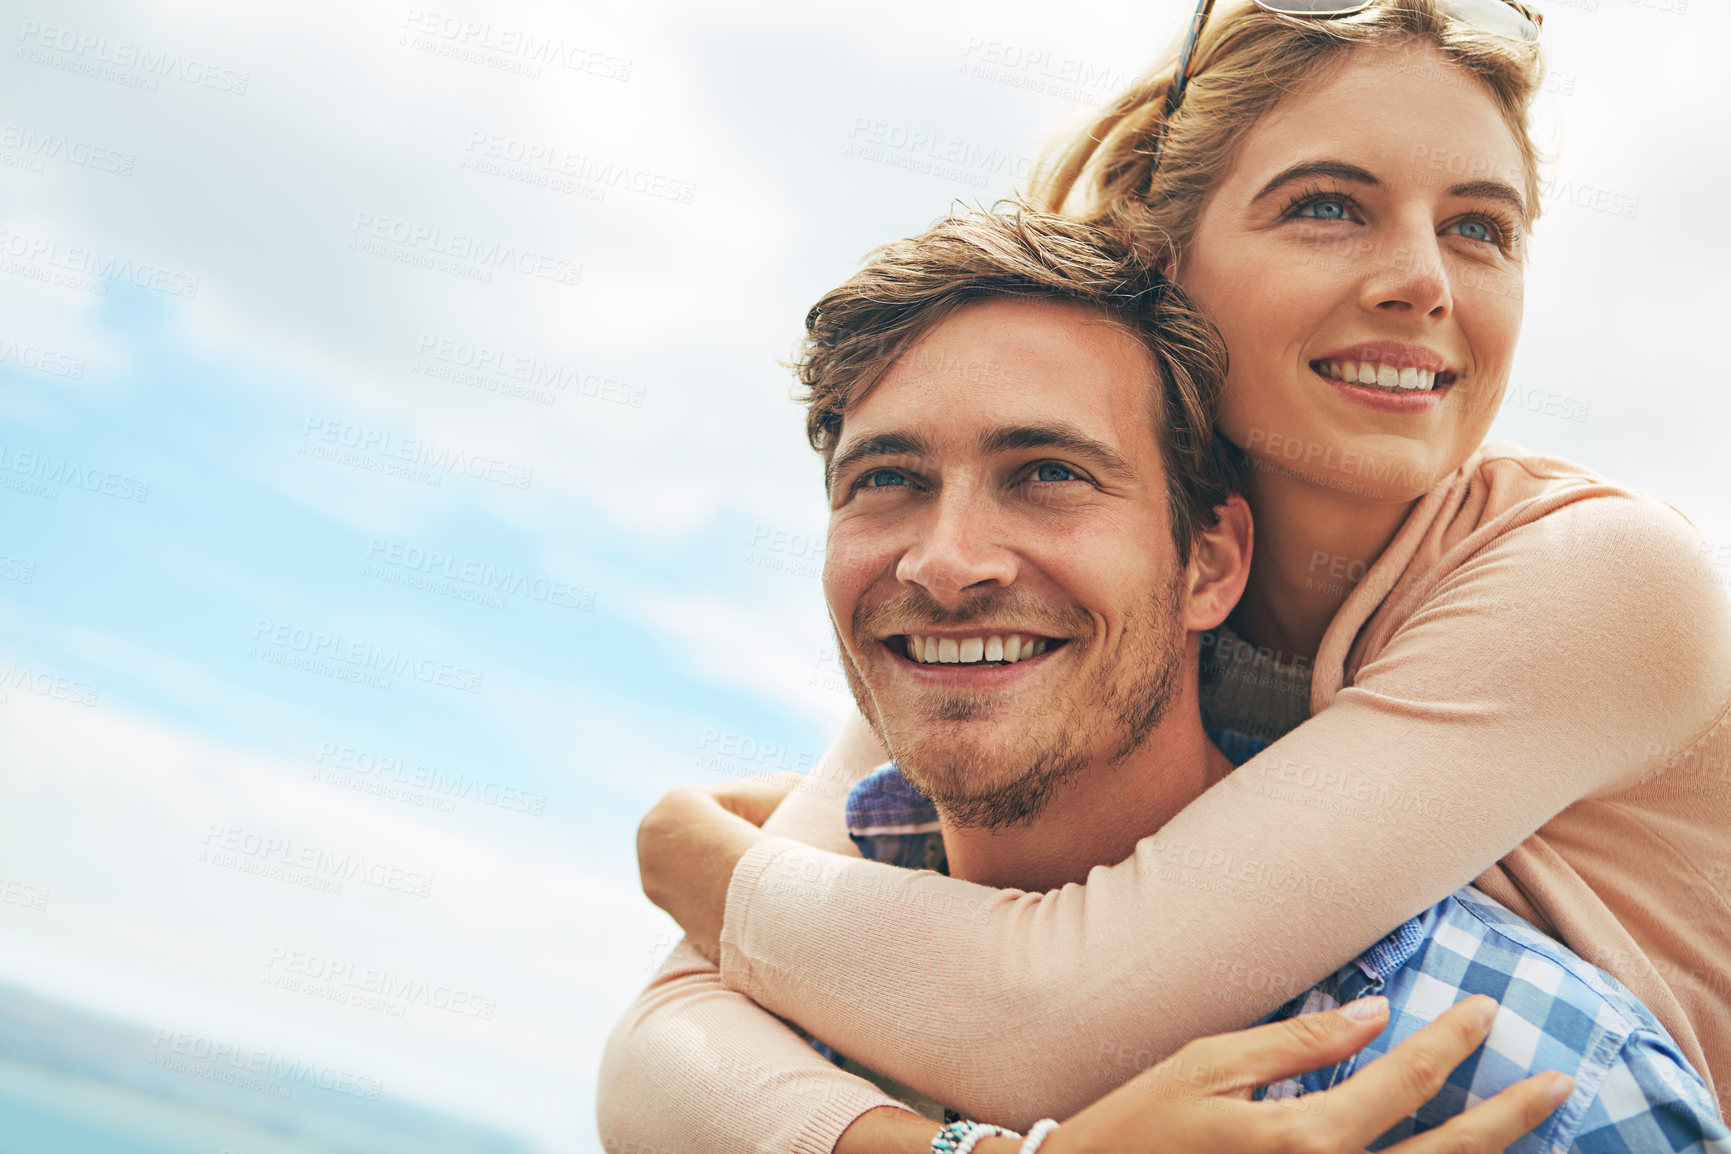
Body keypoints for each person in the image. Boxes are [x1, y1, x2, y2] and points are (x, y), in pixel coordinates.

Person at [609, 0, 1731, 1147]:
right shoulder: (1070, 578)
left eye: (1480, 228)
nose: (1421, 280)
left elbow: (1044, 1012)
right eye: (1329, 206)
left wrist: (693, 859)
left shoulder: (1600, 573)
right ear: (1160, 253)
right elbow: (671, 1043)